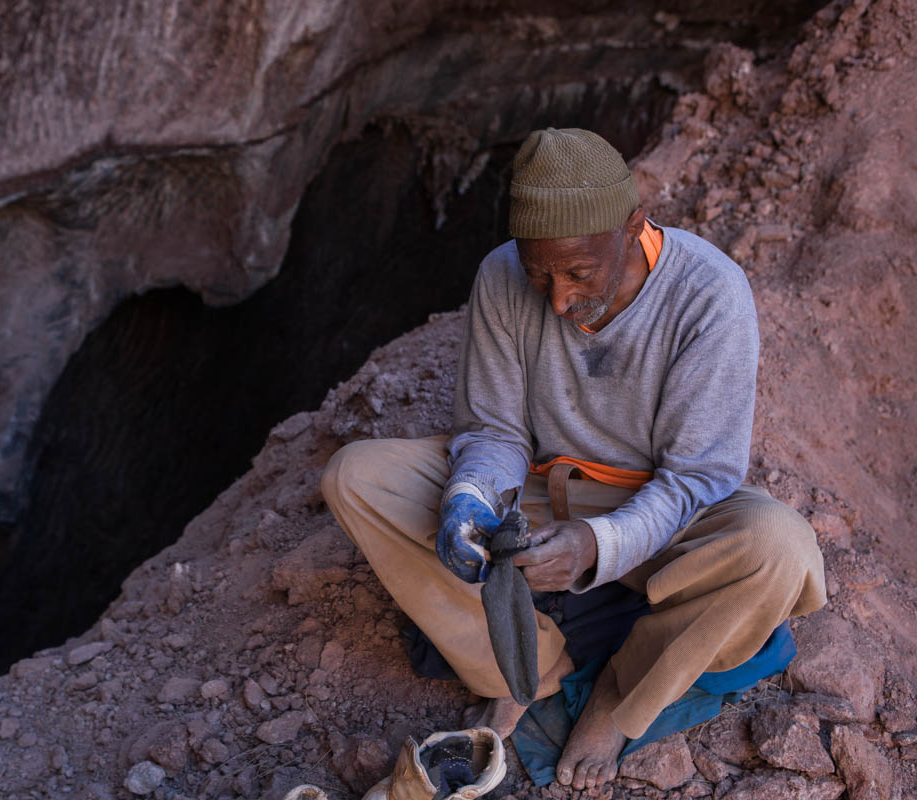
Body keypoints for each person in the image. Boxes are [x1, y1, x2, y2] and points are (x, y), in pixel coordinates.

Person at [321, 128, 826, 791]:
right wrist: (471, 495)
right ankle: (522, 671)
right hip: (537, 491)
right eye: (540, 274)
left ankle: (618, 697)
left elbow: (697, 479)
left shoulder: (709, 295)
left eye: (579, 273)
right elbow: (494, 428)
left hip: (665, 511)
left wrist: (597, 544)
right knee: (356, 478)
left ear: (633, 226)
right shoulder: (501, 275)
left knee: (778, 548)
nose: (557, 299)